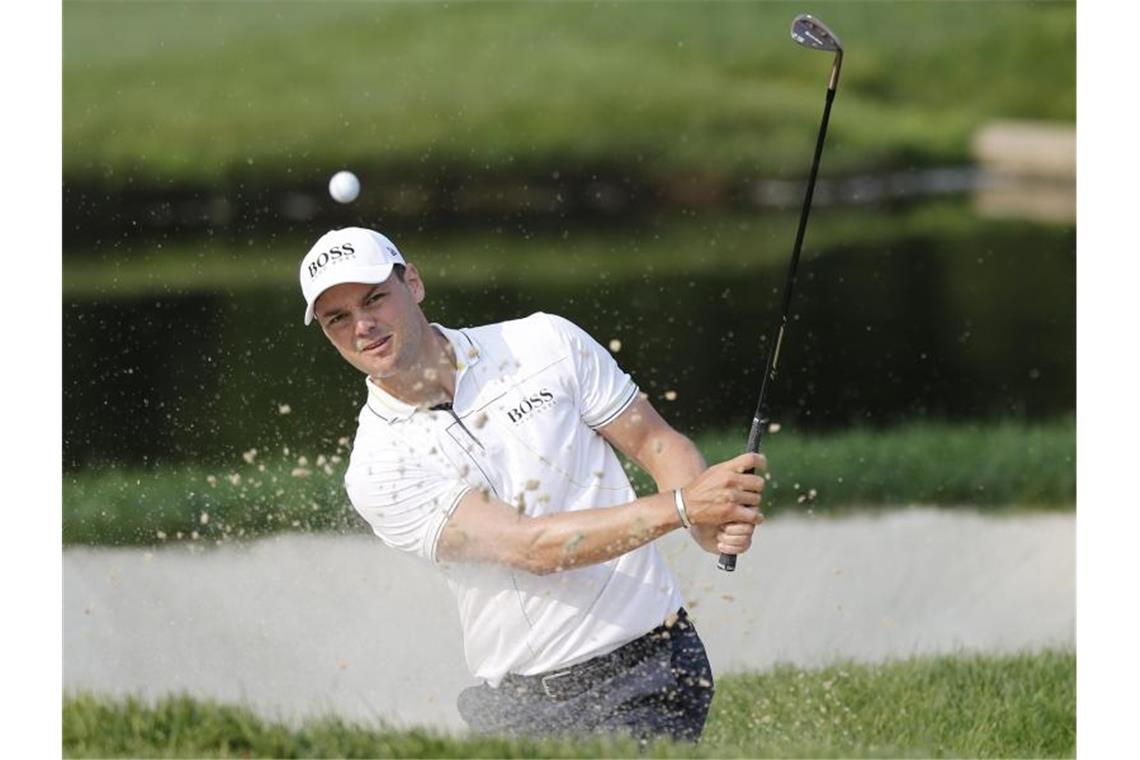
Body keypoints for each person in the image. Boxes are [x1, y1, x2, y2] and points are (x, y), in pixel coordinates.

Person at [299, 226, 766, 743]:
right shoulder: (377, 466)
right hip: (517, 709)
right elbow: (533, 548)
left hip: (651, 664)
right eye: (336, 318)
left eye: (374, 299)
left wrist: (703, 522)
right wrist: (681, 507)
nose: (362, 326)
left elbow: (656, 443)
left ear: (413, 283)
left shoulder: (542, 342)